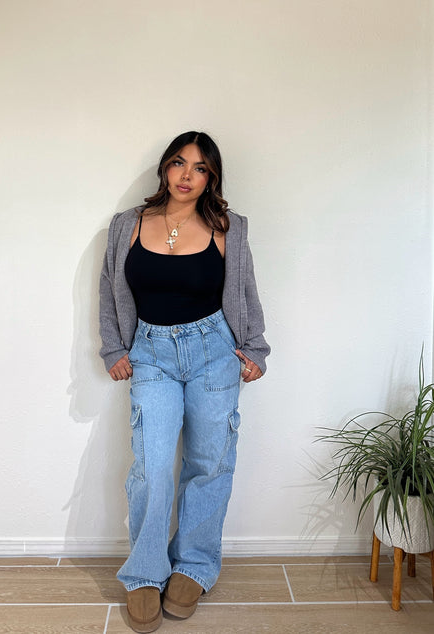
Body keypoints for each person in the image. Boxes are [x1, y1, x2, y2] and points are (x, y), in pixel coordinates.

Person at [99, 131, 270, 633]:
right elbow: (109, 288)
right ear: (164, 168)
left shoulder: (228, 228)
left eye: (199, 168)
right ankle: (145, 572)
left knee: (209, 462)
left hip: (214, 352)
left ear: (211, 178)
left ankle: (194, 565)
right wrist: (114, 348)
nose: (187, 175)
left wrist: (255, 347)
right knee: (152, 465)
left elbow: (245, 290)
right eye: (178, 163)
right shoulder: (127, 224)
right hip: (149, 353)